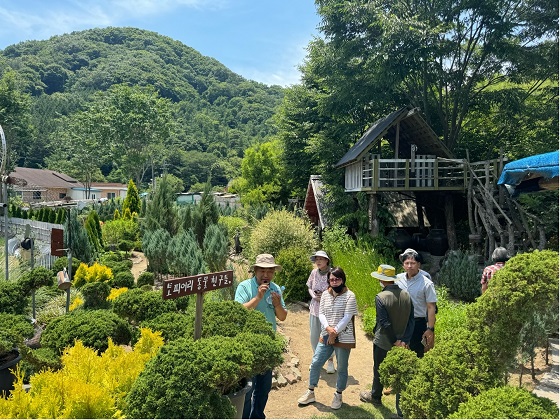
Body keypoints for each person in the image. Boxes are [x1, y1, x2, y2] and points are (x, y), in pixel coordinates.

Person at [234, 253, 288, 419]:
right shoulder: (244, 287)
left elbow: (282, 317)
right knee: (247, 389)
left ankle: (258, 416)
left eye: (270, 271)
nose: (266, 274)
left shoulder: (275, 288)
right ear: (255, 270)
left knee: (263, 389)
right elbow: (239, 312)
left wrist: (277, 304)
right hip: (247, 346)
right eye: (262, 270)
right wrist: (258, 297)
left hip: (267, 346)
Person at [297, 267, 358, 410]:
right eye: (331, 280)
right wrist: (329, 329)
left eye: (337, 279)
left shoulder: (350, 295)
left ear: (343, 279)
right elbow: (321, 313)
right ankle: (310, 391)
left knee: (341, 367)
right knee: (316, 362)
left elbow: (347, 316)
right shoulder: (325, 294)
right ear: (328, 281)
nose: (334, 282)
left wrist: (334, 332)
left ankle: (338, 394)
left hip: (344, 337)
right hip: (326, 334)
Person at [360, 264, 414, 417]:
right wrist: (404, 340)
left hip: (384, 341)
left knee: (379, 368)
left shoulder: (381, 297)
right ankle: (401, 409)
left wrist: (394, 340)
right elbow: (411, 321)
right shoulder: (407, 295)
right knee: (399, 373)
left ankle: (375, 396)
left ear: (382, 280)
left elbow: (384, 322)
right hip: (403, 342)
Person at [395, 248, 437, 358]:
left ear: (419, 264)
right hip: (400, 322)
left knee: (417, 354)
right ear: (403, 265)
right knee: (398, 353)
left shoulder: (426, 283)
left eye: (413, 263)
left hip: (417, 323)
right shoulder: (397, 279)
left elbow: (431, 307)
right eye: (407, 263)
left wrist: (430, 328)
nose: (409, 266)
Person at [306, 250, 336, 374]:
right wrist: (313, 296)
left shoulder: (332, 273)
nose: (318, 261)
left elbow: (338, 289)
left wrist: (324, 296)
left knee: (328, 335)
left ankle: (330, 361)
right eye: (316, 259)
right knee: (314, 336)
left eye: (321, 259)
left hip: (329, 309)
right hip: (315, 308)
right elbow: (309, 286)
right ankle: (316, 360)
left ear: (326, 260)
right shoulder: (314, 272)